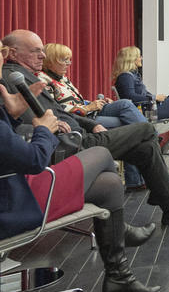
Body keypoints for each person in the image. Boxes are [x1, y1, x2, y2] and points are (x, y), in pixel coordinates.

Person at [0, 16, 160, 292]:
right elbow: (32, 160)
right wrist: (45, 127)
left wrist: (11, 112)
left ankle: (120, 276)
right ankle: (120, 259)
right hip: (0, 209)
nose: (2, 56)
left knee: (108, 185)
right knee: (103, 156)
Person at [0, 31, 169, 226]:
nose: (43, 56)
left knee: (145, 148)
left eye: (42, 51)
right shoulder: (10, 78)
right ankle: (162, 166)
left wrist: (93, 124)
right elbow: (18, 122)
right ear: (14, 54)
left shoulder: (27, 77)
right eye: (36, 51)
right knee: (145, 131)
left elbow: (61, 111)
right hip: (70, 144)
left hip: (80, 134)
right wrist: (49, 127)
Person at [40, 42, 151, 189]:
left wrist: (94, 102)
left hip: (91, 112)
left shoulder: (63, 78)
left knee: (125, 106)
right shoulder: (43, 80)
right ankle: (150, 142)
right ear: (50, 60)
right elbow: (56, 109)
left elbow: (77, 100)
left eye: (69, 60)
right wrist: (86, 108)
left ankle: (137, 176)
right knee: (127, 117)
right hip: (83, 119)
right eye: (64, 60)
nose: (68, 64)